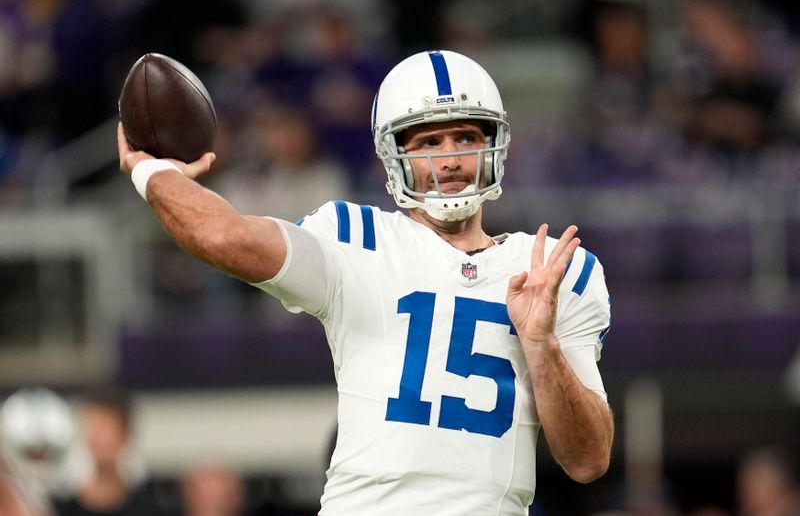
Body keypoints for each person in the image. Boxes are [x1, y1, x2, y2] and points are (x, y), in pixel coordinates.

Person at [118, 49, 614, 515]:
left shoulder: (552, 267)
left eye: (466, 137)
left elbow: (588, 460)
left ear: (494, 145)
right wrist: (154, 173)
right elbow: (226, 238)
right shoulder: (356, 240)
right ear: (393, 154)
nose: (450, 159)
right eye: (428, 142)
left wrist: (540, 342)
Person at [51, 388, 165, 516]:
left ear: (125, 437)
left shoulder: (149, 509)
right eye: (94, 428)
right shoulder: (62, 508)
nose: (99, 440)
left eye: (107, 430)